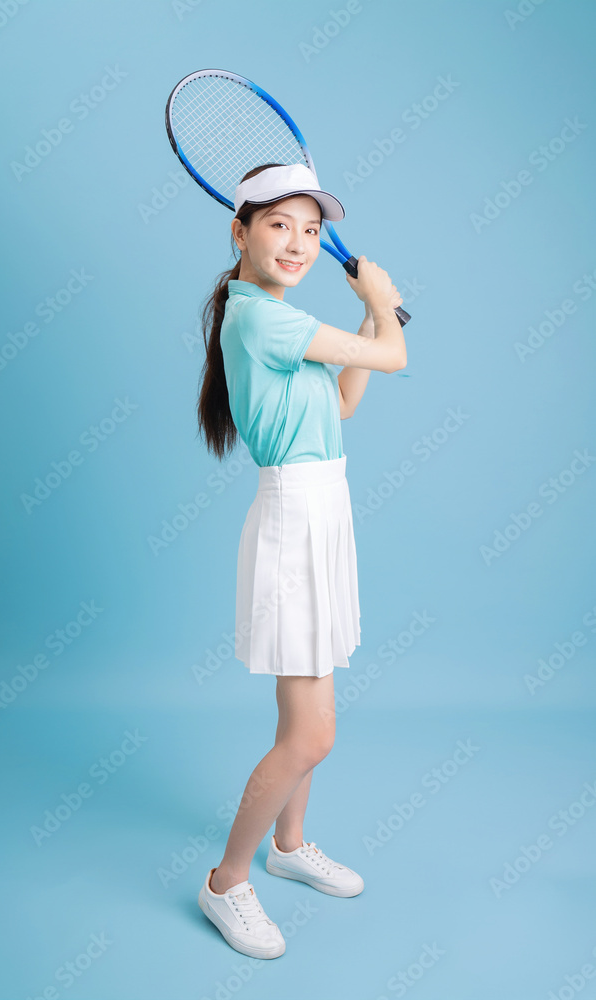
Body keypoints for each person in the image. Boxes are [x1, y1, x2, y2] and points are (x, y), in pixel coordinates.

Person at [195, 162, 407, 960]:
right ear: (239, 230)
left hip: (326, 511)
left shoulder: (282, 317)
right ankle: (226, 883)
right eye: (279, 223)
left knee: (306, 716)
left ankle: (288, 846)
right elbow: (389, 357)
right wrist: (382, 309)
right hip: (295, 521)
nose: (299, 242)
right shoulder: (261, 320)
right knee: (312, 735)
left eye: (312, 230)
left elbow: (348, 398)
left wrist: (371, 314)